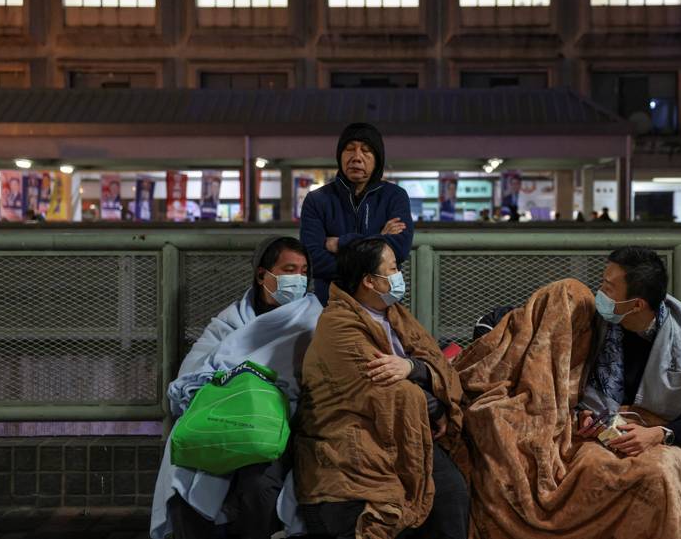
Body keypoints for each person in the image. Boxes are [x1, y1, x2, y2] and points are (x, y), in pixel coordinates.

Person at [454, 246, 681, 539]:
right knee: (584, 471)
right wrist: (585, 414)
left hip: (662, 435)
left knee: (657, 474)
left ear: (636, 305)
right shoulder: (595, 322)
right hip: (601, 433)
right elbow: (563, 378)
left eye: (608, 287)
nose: (599, 292)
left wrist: (658, 434)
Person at [150, 236, 323, 539]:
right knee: (183, 471)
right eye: (289, 269)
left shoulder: (313, 319)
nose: (298, 278)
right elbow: (191, 375)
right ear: (262, 275)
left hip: (279, 425)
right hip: (224, 418)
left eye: (303, 271)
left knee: (260, 485)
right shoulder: (230, 321)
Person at [295, 237, 468, 539]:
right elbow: (388, 391)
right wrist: (435, 405)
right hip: (356, 433)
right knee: (390, 508)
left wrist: (413, 369)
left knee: (452, 492)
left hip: (409, 426)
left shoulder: (396, 315)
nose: (399, 274)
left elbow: (436, 363)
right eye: (393, 268)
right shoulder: (338, 326)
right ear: (370, 282)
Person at [300, 123, 414, 305]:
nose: (357, 157)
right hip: (331, 305)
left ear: (377, 159)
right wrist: (379, 241)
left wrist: (341, 243)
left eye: (366, 151)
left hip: (381, 305)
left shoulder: (394, 196)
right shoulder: (317, 200)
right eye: (349, 149)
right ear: (340, 155)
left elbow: (399, 248)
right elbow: (313, 259)